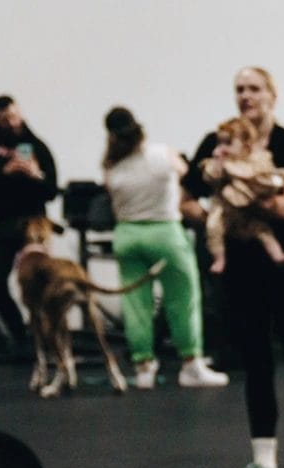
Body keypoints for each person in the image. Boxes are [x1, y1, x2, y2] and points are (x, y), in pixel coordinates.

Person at [181, 67, 284, 468]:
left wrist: (239, 187)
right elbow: (186, 199)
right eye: (239, 89)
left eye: (254, 88)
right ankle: (264, 465)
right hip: (241, 266)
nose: (246, 96)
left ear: (272, 95)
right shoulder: (216, 143)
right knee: (256, 363)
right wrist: (219, 220)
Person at [100, 107, 227, 390]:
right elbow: (186, 174)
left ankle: (143, 367)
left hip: (127, 234)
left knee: (135, 304)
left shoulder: (110, 165)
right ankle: (191, 364)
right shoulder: (163, 153)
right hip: (165, 232)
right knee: (183, 298)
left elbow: (110, 195)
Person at [0, 94, 57, 348]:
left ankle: (45, 334)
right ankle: (19, 333)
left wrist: (35, 174)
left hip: (33, 223)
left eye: (13, 117)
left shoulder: (37, 145)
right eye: (4, 119)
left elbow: (51, 189)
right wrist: (3, 172)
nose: (10, 122)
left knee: (41, 282)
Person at [202, 117, 284, 274]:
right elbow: (211, 177)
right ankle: (219, 259)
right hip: (224, 209)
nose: (222, 147)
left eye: (228, 143)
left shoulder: (256, 160)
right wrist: (219, 163)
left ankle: (278, 255)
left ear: (246, 145)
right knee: (213, 226)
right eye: (219, 143)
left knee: (263, 231)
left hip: (251, 211)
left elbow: (267, 180)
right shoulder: (219, 163)